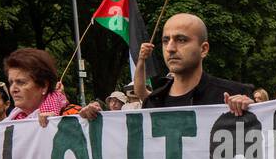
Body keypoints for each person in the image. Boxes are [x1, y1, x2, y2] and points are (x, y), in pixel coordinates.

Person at [81, 14, 254, 118]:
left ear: (204, 49)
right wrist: (93, 123)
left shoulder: (232, 95)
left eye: (181, 40)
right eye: (165, 41)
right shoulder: (154, 102)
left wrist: (252, 110)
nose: (170, 48)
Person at [0, 50, 66, 132]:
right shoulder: (14, 119)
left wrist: (57, 125)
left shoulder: (68, 116)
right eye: (11, 83)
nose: (13, 89)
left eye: (21, 82)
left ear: (43, 86)